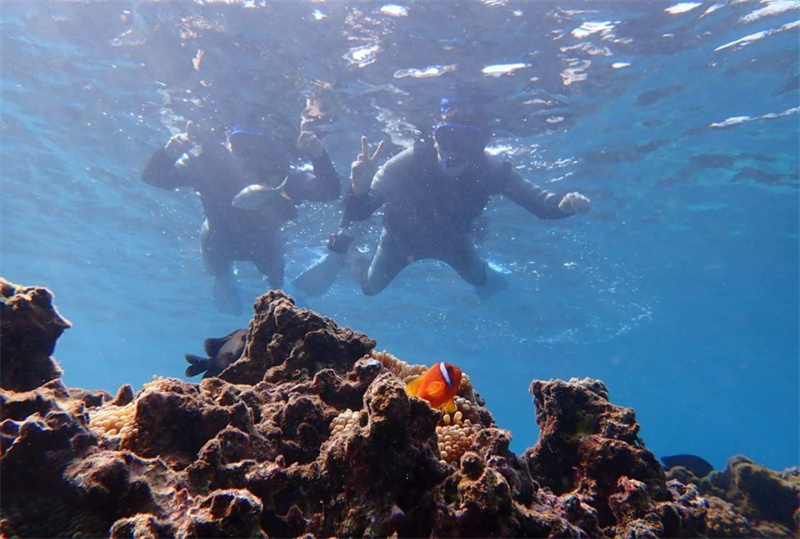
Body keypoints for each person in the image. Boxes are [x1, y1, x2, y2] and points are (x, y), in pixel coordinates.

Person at [324, 98, 590, 297]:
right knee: (370, 288)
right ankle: (348, 256)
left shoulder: (491, 169)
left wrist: (565, 205)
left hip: (453, 241)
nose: (453, 150)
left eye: (466, 141)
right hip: (399, 239)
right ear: (434, 137)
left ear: (480, 146)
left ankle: (486, 274)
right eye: (446, 137)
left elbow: (542, 205)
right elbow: (360, 212)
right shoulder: (410, 161)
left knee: (479, 280)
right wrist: (358, 188)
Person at [142, 115, 340, 314]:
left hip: (263, 244)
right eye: (241, 142)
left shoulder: (283, 174)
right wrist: (168, 154)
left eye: (258, 145)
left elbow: (328, 192)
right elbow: (154, 177)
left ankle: (281, 298)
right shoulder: (207, 165)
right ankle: (231, 285)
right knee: (224, 276)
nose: (250, 153)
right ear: (227, 142)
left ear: (270, 148)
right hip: (218, 241)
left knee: (276, 281)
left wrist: (318, 156)